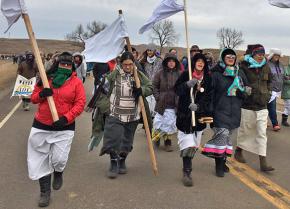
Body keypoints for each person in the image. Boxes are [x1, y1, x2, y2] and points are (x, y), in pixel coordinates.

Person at [27, 52, 86, 207]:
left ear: (72, 66)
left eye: (68, 64)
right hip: (41, 125)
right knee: (41, 160)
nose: (65, 67)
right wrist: (42, 94)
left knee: (59, 159)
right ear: (57, 64)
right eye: (62, 64)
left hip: (64, 127)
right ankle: (45, 193)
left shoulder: (76, 83)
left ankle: (58, 172)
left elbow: (80, 104)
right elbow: (32, 98)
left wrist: (66, 118)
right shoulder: (47, 79)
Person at [100, 51, 153, 179]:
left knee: (126, 141)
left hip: (132, 115)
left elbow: (150, 87)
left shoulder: (138, 74)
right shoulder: (114, 75)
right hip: (115, 113)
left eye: (130, 64)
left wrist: (142, 90)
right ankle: (113, 162)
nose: (128, 67)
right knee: (113, 139)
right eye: (125, 64)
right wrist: (104, 107)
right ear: (120, 63)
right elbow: (103, 90)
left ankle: (122, 160)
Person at [201, 48, 250, 177]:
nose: (230, 59)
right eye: (228, 56)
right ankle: (219, 165)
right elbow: (209, 95)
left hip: (234, 112)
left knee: (228, 139)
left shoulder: (239, 73)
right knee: (221, 138)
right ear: (223, 58)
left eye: (233, 57)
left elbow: (247, 90)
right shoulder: (215, 74)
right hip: (219, 111)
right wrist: (209, 112)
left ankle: (223, 161)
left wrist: (243, 94)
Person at [235, 44, 275, 172]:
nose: (260, 56)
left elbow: (270, 81)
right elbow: (240, 83)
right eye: (258, 54)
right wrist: (246, 93)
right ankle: (238, 151)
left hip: (262, 105)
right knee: (246, 131)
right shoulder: (244, 66)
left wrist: (268, 94)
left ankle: (263, 162)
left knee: (262, 133)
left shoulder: (266, 66)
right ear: (253, 54)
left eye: (262, 54)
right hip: (248, 105)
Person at [175, 53, 211, 186]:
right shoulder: (186, 75)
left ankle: (187, 165)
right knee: (188, 146)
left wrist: (199, 106)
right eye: (198, 61)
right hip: (185, 117)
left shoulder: (207, 78)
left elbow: (209, 97)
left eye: (203, 61)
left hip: (199, 118)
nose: (200, 63)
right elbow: (177, 90)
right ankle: (187, 172)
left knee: (194, 146)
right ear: (194, 63)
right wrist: (186, 85)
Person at [152, 53, 181, 152]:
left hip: (174, 103)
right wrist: (158, 97)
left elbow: (182, 87)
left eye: (173, 61)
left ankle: (167, 143)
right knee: (159, 123)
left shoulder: (179, 74)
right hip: (162, 103)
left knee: (170, 124)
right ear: (166, 62)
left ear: (176, 63)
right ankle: (157, 138)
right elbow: (154, 86)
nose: (171, 63)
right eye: (169, 61)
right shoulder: (160, 73)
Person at [140, 44, 163, 117]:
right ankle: (148, 120)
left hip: (157, 85)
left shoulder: (159, 61)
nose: (149, 52)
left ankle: (155, 119)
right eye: (148, 50)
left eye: (151, 50)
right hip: (147, 85)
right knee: (148, 103)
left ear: (154, 51)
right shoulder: (144, 61)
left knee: (155, 102)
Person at [267, 48, 284, 131]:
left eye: (278, 55)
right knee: (272, 106)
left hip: (278, 90)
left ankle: (263, 121)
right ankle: (275, 124)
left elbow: (282, 76)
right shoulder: (267, 64)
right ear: (272, 55)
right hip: (270, 89)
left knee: (266, 106)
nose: (277, 57)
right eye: (275, 55)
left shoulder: (280, 65)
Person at [282, 61, 290, 127]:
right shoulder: (285, 69)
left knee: (287, 108)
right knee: (288, 106)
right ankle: (284, 121)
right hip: (286, 91)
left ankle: (284, 121)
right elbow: (283, 80)